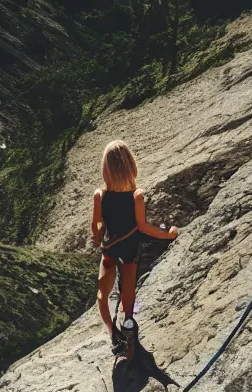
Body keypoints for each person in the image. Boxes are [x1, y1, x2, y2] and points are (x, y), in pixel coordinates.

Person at [91, 140, 178, 355]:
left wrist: (97, 237)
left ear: (106, 169)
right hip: (130, 247)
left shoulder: (99, 196)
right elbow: (143, 227)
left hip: (110, 247)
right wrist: (168, 234)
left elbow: (97, 225)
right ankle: (128, 321)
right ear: (130, 165)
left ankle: (112, 333)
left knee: (102, 292)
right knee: (128, 284)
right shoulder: (136, 195)